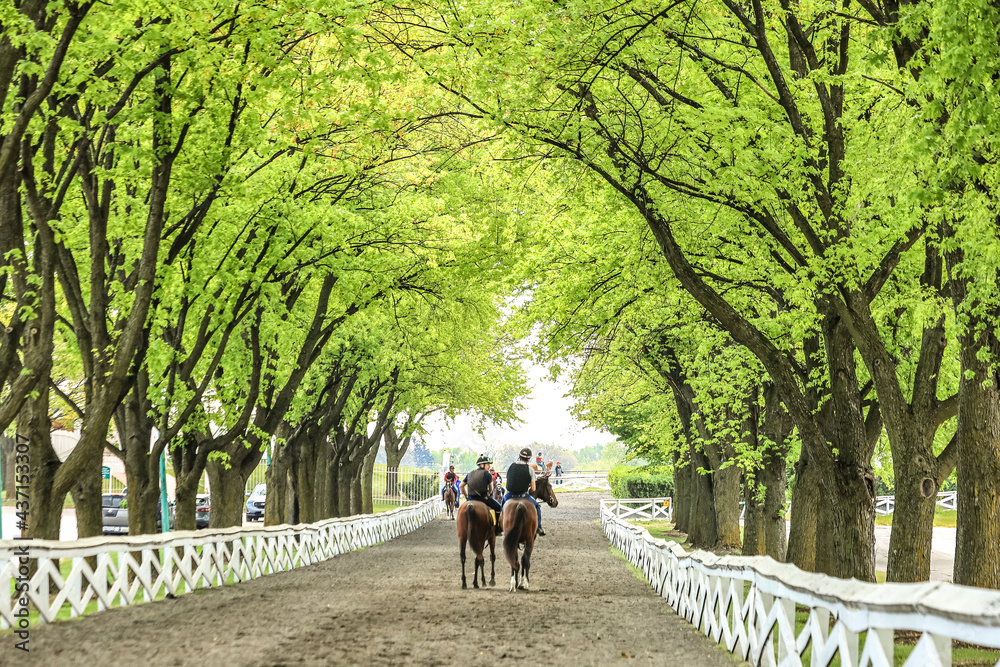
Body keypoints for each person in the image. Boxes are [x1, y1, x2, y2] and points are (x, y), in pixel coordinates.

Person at [504, 447, 545, 536]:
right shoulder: (530, 469)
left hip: (509, 495)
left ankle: (499, 525)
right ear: (529, 458)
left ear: (519, 456)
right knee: (537, 506)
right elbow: (533, 489)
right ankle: (539, 527)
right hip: (523, 496)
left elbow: (509, 479)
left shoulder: (511, 466)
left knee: (502, 506)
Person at [460, 454, 504, 536]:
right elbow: (491, 488)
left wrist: (466, 497)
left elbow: (461, 486)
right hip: (483, 499)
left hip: (470, 499)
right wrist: (489, 494)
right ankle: (497, 529)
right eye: (488, 464)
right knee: (499, 507)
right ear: (482, 465)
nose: (489, 466)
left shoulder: (470, 473)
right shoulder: (487, 474)